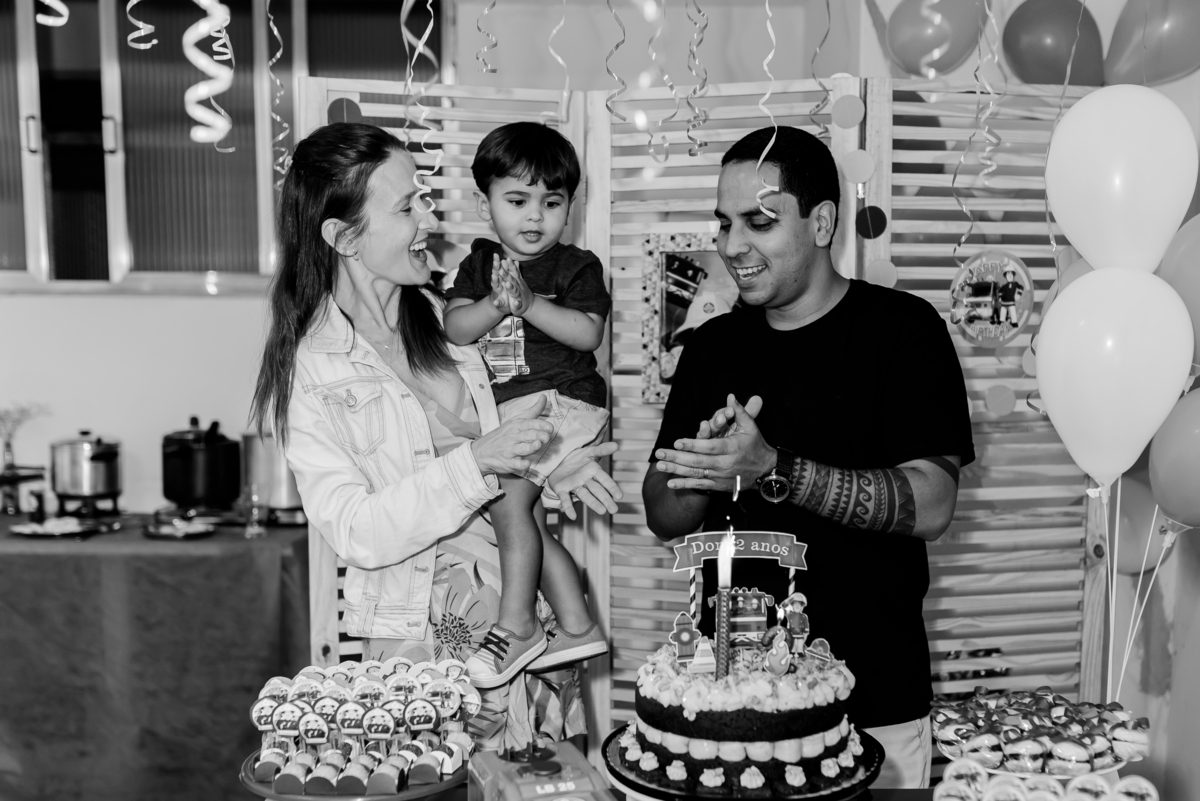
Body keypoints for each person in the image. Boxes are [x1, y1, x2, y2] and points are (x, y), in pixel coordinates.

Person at [250, 122, 622, 748]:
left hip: (530, 617)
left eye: (422, 197)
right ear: (343, 236)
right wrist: (480, 460)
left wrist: (557, 460)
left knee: (547, 784)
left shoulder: (445, 314)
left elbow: (511, 422)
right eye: (407, 206)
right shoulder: (314, 368)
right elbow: (357, 531)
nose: (429, 218)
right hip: (431, 643)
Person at [641, 126, 975, 789]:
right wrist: (702, 467)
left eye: (760, 222)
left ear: (821, 222)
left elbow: (932, 502)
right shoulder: (712, 348)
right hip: (732, 708)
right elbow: (662, 512)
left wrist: (773, 468)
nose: (733, 246)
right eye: (725, 223)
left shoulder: (903, 332)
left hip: (875, 707)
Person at [443, 122, 611, 688]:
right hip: (513, 414)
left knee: (508, 509)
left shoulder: (575, 265)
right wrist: (498, 301)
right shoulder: (479, 262)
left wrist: (531, 302)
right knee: (530, 522)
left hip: (562, 402)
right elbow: (456, 326)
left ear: (569, 206)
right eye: (517, 200)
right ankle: (577, 624)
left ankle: (517, 626)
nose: (535, 217)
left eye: (552, 202)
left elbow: (587, 335)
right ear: (485, 201)